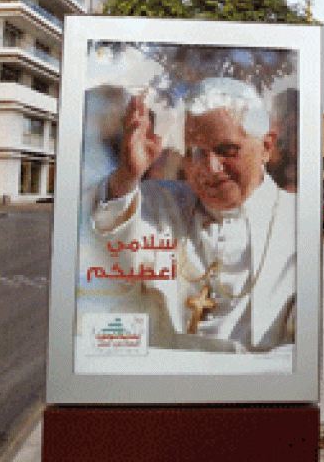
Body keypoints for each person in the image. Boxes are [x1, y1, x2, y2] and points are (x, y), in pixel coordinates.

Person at [88, 77, 296, 354]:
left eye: (227, 150)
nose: (210, 168)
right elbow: (111, 245)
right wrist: (127, 177)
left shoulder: (296, 223)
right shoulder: (158, 203)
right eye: (196, 152)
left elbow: (301, 351)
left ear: (266, 147)